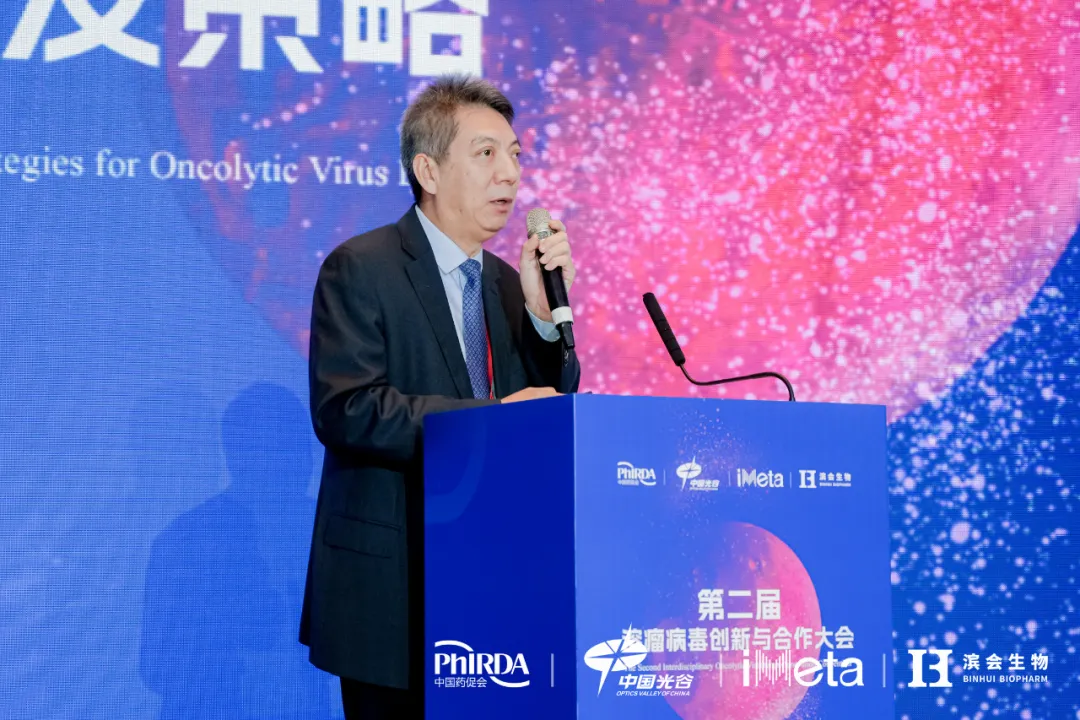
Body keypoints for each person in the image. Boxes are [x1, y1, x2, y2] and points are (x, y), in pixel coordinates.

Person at [298, 74, 582, 719]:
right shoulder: (362, 266)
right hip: (395, 587)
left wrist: (544, 322)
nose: (510, 173)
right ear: (428, 169)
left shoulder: (510, 283)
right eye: (486, 153)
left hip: (494, 581)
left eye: (515, 154)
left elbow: (548, 413)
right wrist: (491, 420)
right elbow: (347, 409)